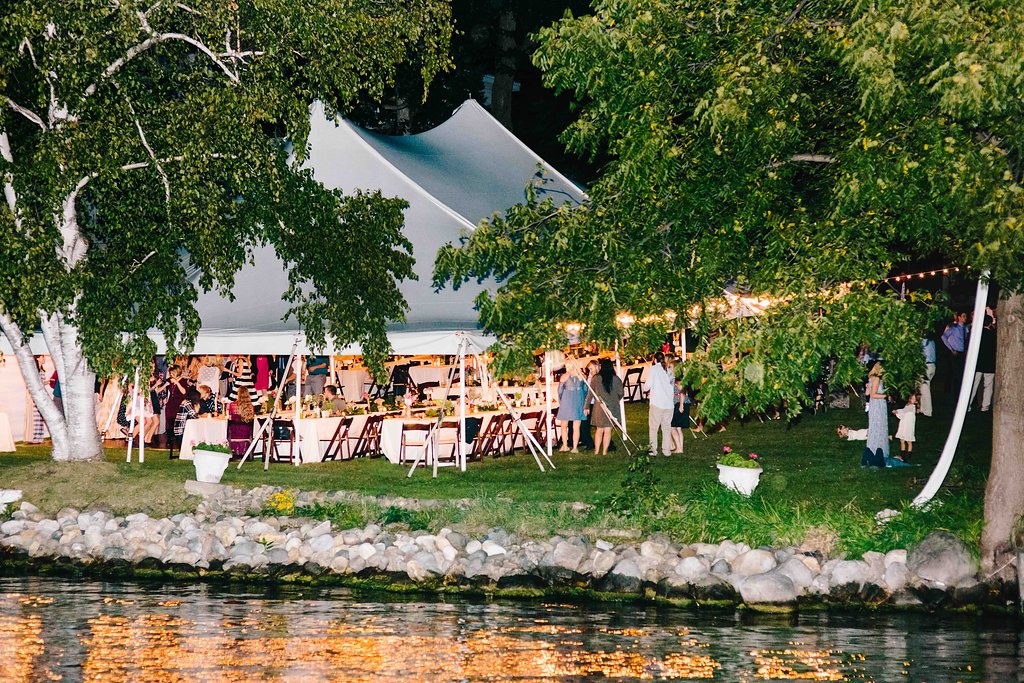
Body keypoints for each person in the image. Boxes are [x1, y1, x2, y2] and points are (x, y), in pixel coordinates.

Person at [588, 358, 624, 456]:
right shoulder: (616, 379)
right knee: (607, 430)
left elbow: (590, 393)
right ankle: (604, 452)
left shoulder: (595, 378)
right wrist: (615, 399)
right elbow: (621, 393)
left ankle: (596, 451)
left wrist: (586, 406)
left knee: (599, 430)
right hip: (612, 407)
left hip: (600, 407)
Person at [644, 352, 675, 457]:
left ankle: (653, 449)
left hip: (657, 403)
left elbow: (647, 385)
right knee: (666, 427)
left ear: (654, 359)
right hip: (669, 404)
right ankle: (666, 450)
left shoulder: (654, 369)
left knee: (653, 428)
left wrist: (645, 389)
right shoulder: (670, 371)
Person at [862, 362, 889, 467]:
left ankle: (873, 449)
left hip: (874, 406)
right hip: (878, 405)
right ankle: (877, 449)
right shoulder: (877, 379)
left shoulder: (871, 378)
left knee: (875, 425)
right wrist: (885, 395)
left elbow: (867, 393)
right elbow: (873, 395)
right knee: (878, 425)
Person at [969, 312, 996, 412]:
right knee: (988, 385)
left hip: (978, 363)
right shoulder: (993, 335)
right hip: (989, 363)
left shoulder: (977, 335)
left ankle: (968, 404)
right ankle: (985, 406)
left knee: (974, 385)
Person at [556, 370, 587, 453]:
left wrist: (561, 402)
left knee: (564, 425)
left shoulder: (564, 377)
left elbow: (559, 391)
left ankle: (565, 445)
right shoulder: (582, 376)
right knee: (576, 426)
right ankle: (575, 447)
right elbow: (585, 389)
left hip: (566, 400)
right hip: (579, 399)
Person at [941, 311, 967, 394]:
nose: (965, 318)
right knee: (956, 374)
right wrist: (951, 348)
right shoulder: (954, 328)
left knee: (961, 373)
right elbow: (944, 337)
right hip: (956, 353)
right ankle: (953, 392)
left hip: (962, 353)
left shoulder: (965, 328)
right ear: (959, 317)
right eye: (963, 316)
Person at [227, 387, 255, 456]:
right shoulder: (251, 407)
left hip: (234, 432)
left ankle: (233, 451)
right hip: (246, 432)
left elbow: (230, 417)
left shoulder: (232, 405)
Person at [892, 394, 917, 461]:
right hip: (904, 424)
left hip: (909, 426)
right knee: (902, 440)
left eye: (914, 399)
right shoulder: (907, 406)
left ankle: (908, 456)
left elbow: (904, 411)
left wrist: (897, 411)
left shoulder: (912, 407)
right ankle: (902, 456)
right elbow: (903, 413)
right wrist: (897, 412)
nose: (913, 400)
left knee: (909, 441)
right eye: (912, 398)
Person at [670, 378, 689, 454]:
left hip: (679, 404)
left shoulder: (678, 381)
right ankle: (680, 448)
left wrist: (681, 405)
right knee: (678, 428)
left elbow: (682, 392)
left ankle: (679, 447)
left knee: (672, 427)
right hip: (679, 403)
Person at [919, 337, 936, 417]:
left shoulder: (923, 342)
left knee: (925, 389)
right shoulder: (932, 341)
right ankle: (923, 409)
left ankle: (928, 411)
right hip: (932, 365)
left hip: (926, 366)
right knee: (923, 388)